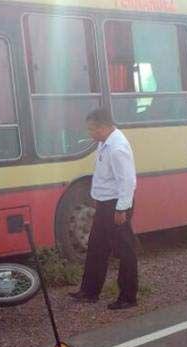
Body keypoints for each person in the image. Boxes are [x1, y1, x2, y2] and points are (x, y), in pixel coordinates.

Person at [70, 107, 139, 310]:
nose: (90, 133)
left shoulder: (118, 148)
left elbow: (127, 181)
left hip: (117, 204)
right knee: (96, 247)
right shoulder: (105, 143)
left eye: (93, 129)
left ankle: (128, 297)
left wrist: (121, 210)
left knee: (125, 251)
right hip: (105, 203)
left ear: (105, 126)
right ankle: (90, 291)